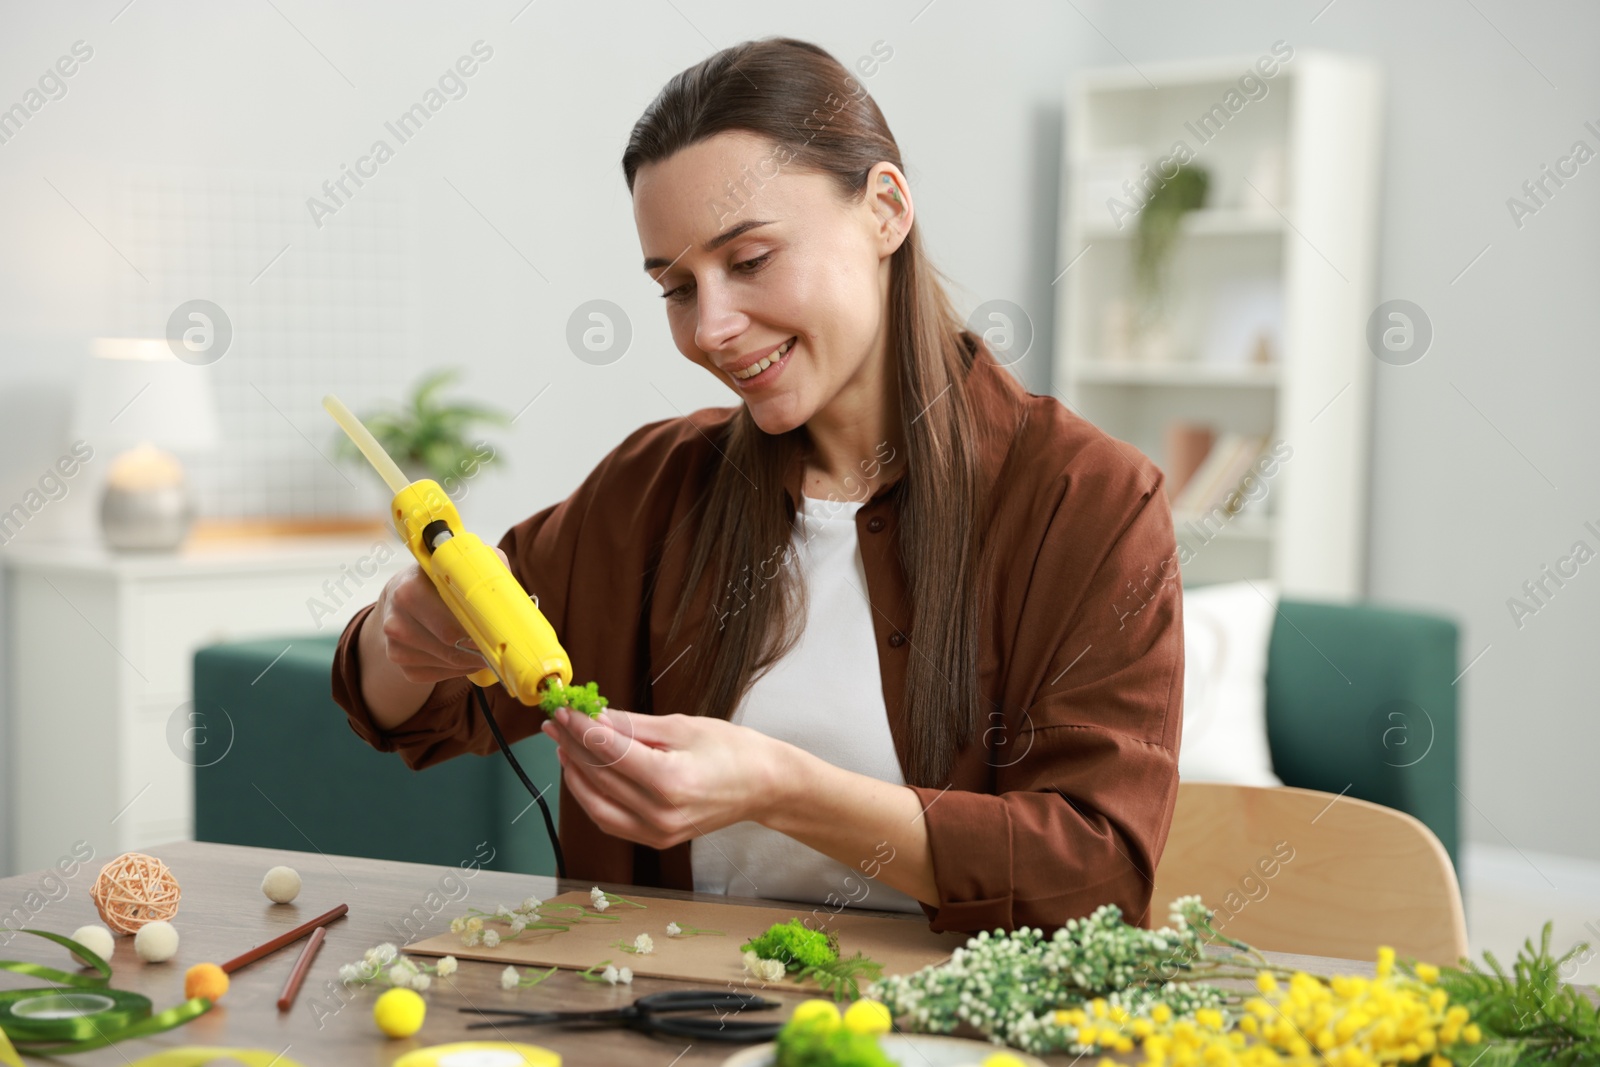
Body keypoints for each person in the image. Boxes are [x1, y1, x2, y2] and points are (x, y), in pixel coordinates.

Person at [331, 36, 1183, 935]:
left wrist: (782, 787)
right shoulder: (649, 490)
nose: (714, 328)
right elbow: (412, 713)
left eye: (749, 261)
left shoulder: (1086, 500)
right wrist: (404, 637)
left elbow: (1093, 874)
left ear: (885, 209)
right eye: (676, 288)